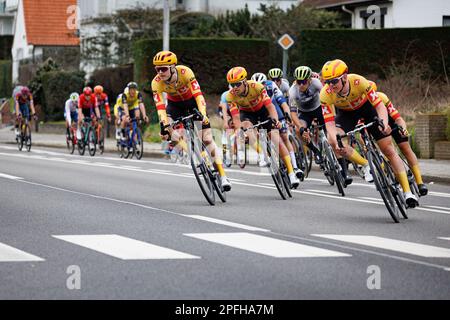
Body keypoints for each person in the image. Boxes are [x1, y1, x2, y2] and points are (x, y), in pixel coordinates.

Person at [320, 59, 418, 207]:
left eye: (334, 81)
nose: (331, 86)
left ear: (345, 77)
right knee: (333, 140)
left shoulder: (359, 82)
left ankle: (408, 193)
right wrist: (335, 141)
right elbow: (330, 124)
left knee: (388, 150)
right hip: (347, 114)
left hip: (368, 109)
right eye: (328, 82)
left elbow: (379, 106)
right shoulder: (325, 94)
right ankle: (365, 165)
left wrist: (384, 123)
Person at [151, 50, 231, 191]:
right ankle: (186, 149)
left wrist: (203, 114)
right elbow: (161, 108)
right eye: (157, 69)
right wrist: (165, 125)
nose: (160, 72)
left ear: (172, 67)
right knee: (167, 132)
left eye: (163, 69)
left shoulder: (185, 72)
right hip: (174, 106)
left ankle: (223, 176)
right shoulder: (156, 83)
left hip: (192, 102)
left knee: (206, 139)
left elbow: (199, 96)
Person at [226, 66, 300, 188]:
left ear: (245, 81)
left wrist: (276, 121)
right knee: (247, 128)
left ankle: (292, 174)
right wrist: (241, 132)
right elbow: (236, 118)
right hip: (247, 114)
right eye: (232, 84)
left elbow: (270, 107)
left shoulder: (257, 87)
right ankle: (263, 154)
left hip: (263, 111)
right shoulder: (230, 96)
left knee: (277, 140)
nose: (234, 88)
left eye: (237, 84)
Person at [368, 80, 428, 196]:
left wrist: (403, 129)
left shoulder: (382, 98)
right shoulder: (360, 107)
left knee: (405, 147)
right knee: (385, 151)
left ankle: (420, 182)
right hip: (375, 127)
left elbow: (398, 119)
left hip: (390, 122)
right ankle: (390, 175)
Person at [251, 72, 303, 178]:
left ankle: (295, 166)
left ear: (265, 84)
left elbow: (282, 102)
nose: (258, 88)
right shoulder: (250, 92)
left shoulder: (271, 86)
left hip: (274, 109)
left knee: (284, 137)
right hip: (260, 113)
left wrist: (287, 114)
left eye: (261, 85)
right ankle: (266, 156)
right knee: (259, 133)